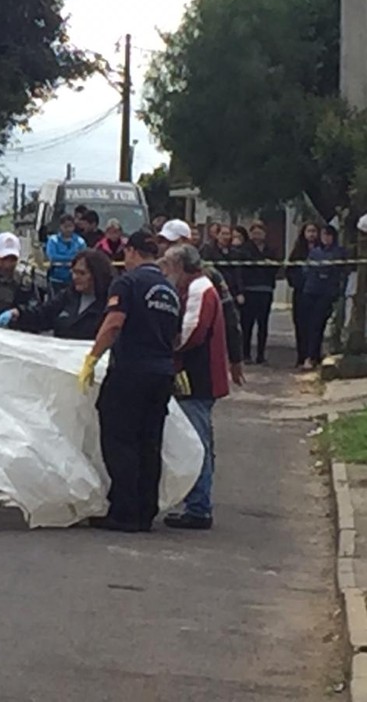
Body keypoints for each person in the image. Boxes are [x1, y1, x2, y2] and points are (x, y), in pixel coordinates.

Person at [77, 231, 181, 533]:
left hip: (131, 371)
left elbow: (113, 324)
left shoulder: (128, 282)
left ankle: (124, 511)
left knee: (120, 440)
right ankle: (144, 511)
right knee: (150, 442)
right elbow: (175, 335)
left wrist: (93, 357)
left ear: (133, 252)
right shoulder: (169, 289)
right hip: (161, 373)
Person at [159, 245, 230, 531]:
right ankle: (197, 503)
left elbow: (191, 334)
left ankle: (199, 507)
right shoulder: (198, 288)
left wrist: (167, 348)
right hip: (200, 377)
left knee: (196, 442)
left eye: (169, 265)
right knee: (200, 441)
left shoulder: (199, 291)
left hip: (198, 378)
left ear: (181, 266)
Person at [158, 220, 245, 387]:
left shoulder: (207, 275)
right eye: (162, 242)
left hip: (196, 362)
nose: (165, 247)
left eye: (171, 242)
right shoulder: (158, 271)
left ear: (186, 241)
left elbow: (229, 317)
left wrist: (236, 358)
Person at [0, 249, 114, 340]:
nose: (75, 277)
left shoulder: (110, 303)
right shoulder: (68, 295)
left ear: (97, 275)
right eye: (74, 272)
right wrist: (18, 314)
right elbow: (43, 315)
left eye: (82, 273)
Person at [302, 225, 348, 370]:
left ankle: (314, 355)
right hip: (311, 291)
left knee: (320, 324)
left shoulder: (339, 252)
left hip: (328, 293)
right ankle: (311, 355)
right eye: (323, 235)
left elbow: (341, 271)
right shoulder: (315, 252)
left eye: (328, 235)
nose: (326, 238)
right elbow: (307, 269)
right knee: (311, 325)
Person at [238, 221, 278, 365]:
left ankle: (261, 355)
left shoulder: (271, 249)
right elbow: (242, 269)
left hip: (265, 290)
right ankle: (246, 354)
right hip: (249, 290)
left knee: (263, 324)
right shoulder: (245, 249)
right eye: (254, 233)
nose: (257, 235)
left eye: (260, 233)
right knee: (247, 324)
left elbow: (276, 267)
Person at [287, 222, 321, 368]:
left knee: (316, 325)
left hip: (317, 293)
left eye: (314, 231)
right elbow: (290, 271)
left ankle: (313, 355)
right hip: (301, 294)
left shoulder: (321, 250)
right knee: (301, 325)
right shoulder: (298, 252)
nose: (312, 234)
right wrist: (299, 283)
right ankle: (301, 356)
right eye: (309, 231)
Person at [199, 225, 243, 301]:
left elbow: (237, 273)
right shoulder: (208, 250)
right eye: (223, 234)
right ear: (217, 235)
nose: (225, 237)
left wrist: (239, 292)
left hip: (231, 291)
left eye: (228, 234)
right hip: (214, 288)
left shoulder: (234, 252)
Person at [45, 214, 87, 292]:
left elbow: (83, 257)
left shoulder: (80, 241)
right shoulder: (53, 240)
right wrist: (73, 257)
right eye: (65, 226)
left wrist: (63, 258)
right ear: (60, 226)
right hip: (56, 279)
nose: (68, 229)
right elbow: (53, 257)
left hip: (75, 280)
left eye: (70, 226)